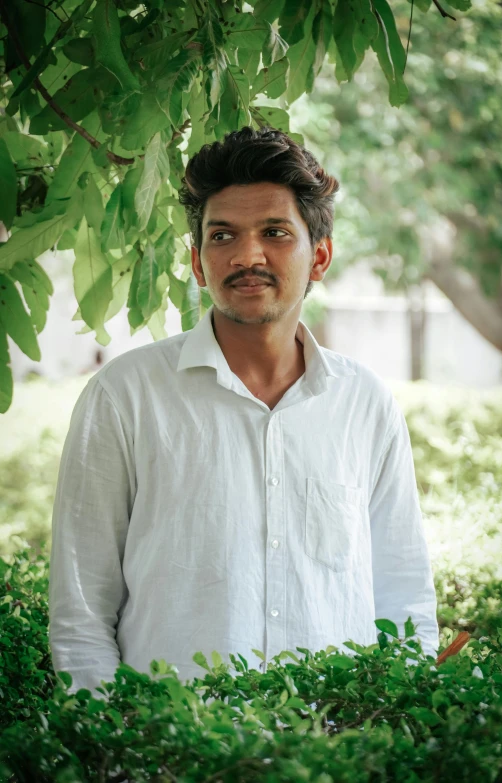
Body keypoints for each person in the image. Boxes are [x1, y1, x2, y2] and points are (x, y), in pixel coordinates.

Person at [49, 126, 439, 699]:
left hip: (334, 749)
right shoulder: (124, 396)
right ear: (200, 262)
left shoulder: (366, 404)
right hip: (168, 754)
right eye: (222, 234)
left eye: (276, 233)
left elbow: (404, 600)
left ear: (321, 256)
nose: (247, 255)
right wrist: (117, 738)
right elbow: (82, 612)